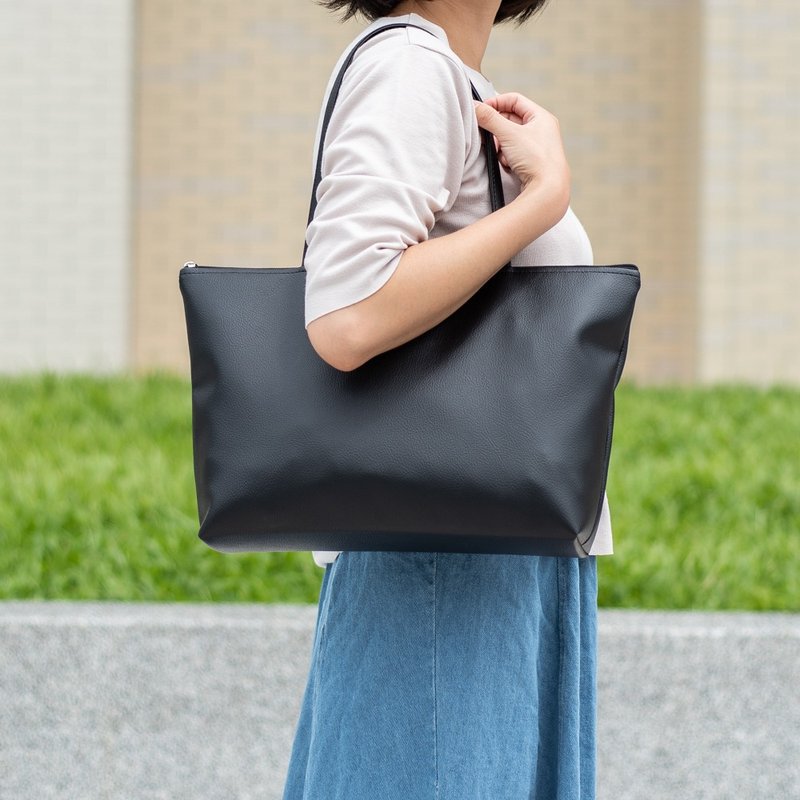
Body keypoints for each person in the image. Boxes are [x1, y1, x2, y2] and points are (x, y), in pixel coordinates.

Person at [283, 2, 611, 798]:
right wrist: (544, 199)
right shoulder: (410, 68)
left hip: (489, 555)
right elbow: (349, 312)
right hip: (441, 563)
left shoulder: (448, 78)